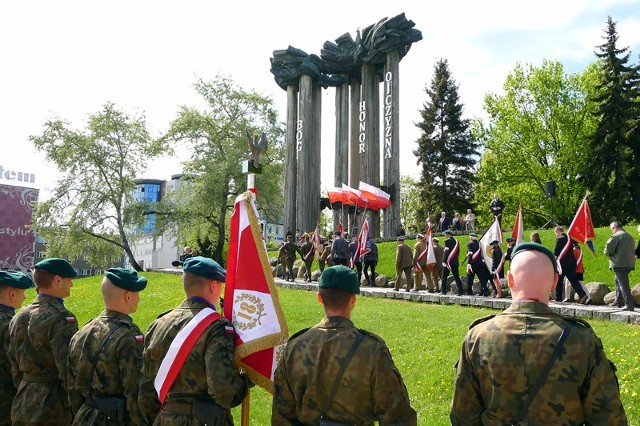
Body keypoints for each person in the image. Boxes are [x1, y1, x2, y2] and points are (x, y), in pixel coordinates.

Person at [450, 242, 628, 425]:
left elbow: (463, 416)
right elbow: (608, 418)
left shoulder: (478, 338)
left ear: (510, 280)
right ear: (554, 282)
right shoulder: (582, 340)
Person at [272, 265, 417, 425]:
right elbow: (398, 417)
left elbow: (281, 417)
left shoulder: (294, 347)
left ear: (319, 298)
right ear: (353, 299)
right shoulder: (372, 350)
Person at [139, 256, 250, 424]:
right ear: (213, 285)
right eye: (220, 285)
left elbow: (145, 391)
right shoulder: (216, 327)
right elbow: (224, 392)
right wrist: (246, 380)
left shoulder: (159, 323)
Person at [67, 268, 147, 424]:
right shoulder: (128, 335)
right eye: (137, 294)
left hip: (84, 417)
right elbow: (135, 391)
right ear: (128, 296)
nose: (139, 298)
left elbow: (72, 387)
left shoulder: (83, 332)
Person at [7, 258, 78, 424]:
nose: (71, 285)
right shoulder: (62, 317)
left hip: (23, 400)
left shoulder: (19, 316)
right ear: (57, 280)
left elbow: (14, 362)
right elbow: (67, 369)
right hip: (53, 407)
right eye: (69, 280)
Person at [0, 271, 33, 425]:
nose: (25, 297)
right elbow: (16, 363)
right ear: (12, 293)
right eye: (22, 293)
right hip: (5, 396)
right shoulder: (9, 325)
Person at [604, 221, 636, 311]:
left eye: (612, 229)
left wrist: (606, 252)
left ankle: (629, 305)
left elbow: (609, 250)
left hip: (619, 263)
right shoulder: (630, 236)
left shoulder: (616, 236)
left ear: (615, 228)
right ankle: (617, 302)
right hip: (628, 263)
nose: (612, 231)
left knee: (623, 284)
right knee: (617, 281)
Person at [554, 226, 590, 304]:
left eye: (556, 233)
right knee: (573, 279)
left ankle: (558, 298)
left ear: (558, 231)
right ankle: (582, 294)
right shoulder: (570, 238)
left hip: (563, 262)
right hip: (572, 262)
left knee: (559, 279)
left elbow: (556, 252)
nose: (556, 235)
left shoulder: (560, 239)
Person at [442, 230, 463, 295]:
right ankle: (460, 291)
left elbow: (446, 252)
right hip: (455, 261)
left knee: (444, 277)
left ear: (448, 234)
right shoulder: (456, 241)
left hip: (448, 262)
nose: (445, 236)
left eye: (445, 234)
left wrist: (444, 261)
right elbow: (458, 252)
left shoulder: (447, 241)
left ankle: (443, 291)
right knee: (456, 277)